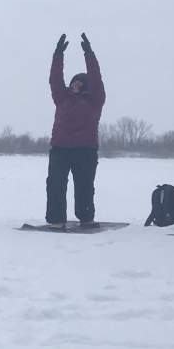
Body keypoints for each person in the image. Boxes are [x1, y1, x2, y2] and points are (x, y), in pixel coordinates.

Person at [47, 32, 105, 228]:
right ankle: (56, 221)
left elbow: (96, 77)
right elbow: (55, 79)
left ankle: (86, 218)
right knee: (55, 185)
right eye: (73, 81)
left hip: (85, 150)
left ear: (87, 87)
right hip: (60, 149)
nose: (75, 84)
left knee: (84, 187)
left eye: (80, 82)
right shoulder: (61, 98)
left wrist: (88, 53)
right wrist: (58, 54)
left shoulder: (94, 100)